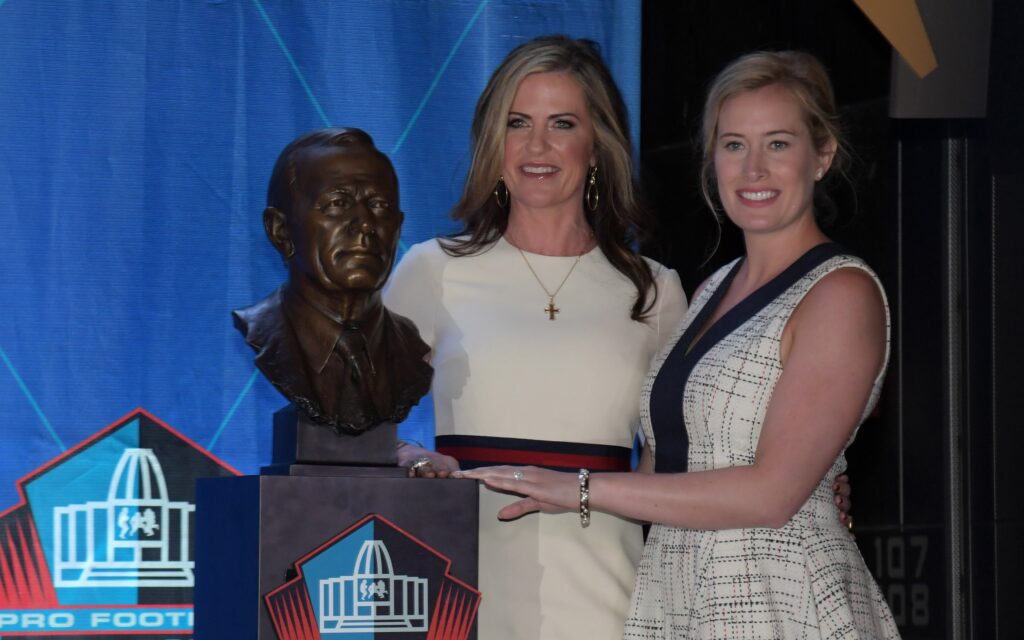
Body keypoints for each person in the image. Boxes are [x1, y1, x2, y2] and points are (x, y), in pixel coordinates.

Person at [458, 50, 897, 638]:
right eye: (734, 144)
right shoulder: (711, 289)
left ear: (822, 156)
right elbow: (670, 473)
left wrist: (577, 487)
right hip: (676, 599)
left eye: (778, 144)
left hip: (779, 601)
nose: (753, 169)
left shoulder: (841, 292)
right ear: (711, 158)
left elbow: (772, 494)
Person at [234, 128, 432, 434]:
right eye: (338, 204)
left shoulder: (409, 349)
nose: (366, 223)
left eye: (380, 206)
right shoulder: (264, 330)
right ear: (280, 231)